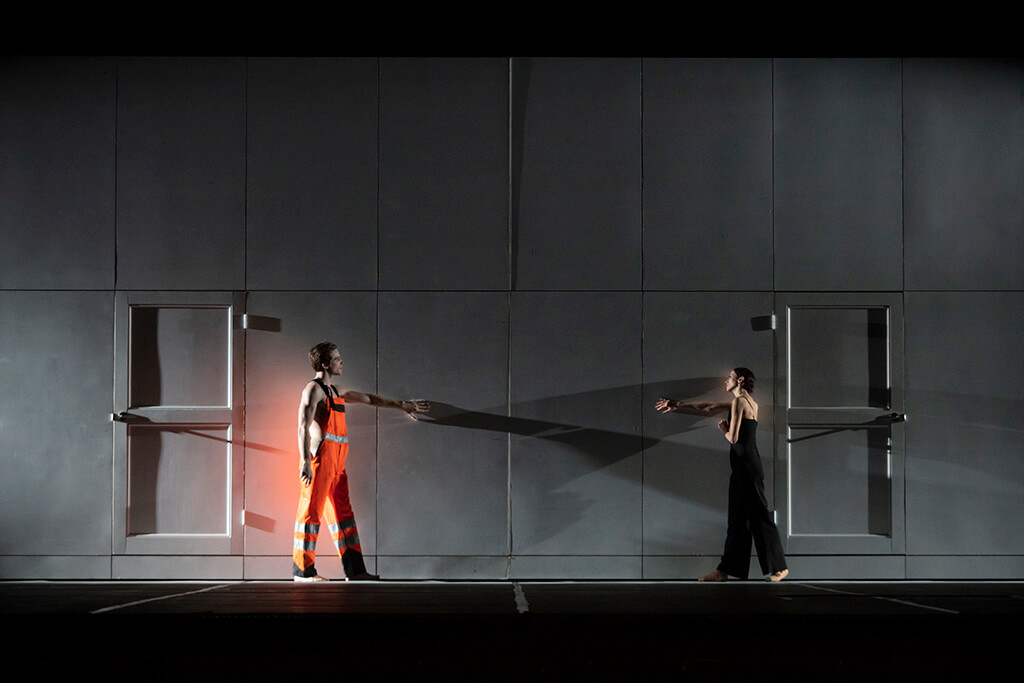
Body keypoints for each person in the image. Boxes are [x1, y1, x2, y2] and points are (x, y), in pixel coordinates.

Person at [293, 341, 429, 582]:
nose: (341, 361)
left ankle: (355, 571)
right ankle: (303, 572)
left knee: (343, 515)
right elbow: (302, 426)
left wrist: (401, 405)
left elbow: (368, 398)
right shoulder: (313, 390)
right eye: (337, 358)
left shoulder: (336, 391)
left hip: (337, 463)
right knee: (310, 513)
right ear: (325, 364)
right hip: (320, 460)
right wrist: (305, 461)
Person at [656, 368, 788, 582]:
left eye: (730, 377)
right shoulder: (749, 403)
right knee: (737, 520)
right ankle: (724, 570)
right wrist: (678, 404)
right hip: (743, 467)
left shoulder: (739, 402)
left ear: (740, 380)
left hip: (747, 467)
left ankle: (779, 568)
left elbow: (733, 438)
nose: (726, 381)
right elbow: (709, 406)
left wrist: (724, 429)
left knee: (759, 516)